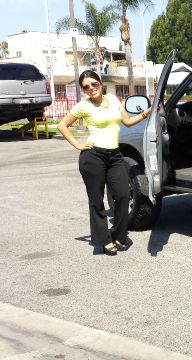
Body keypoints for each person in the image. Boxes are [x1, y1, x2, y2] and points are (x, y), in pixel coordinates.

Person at [58, 70, 152, 255]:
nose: (91, 88)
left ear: (100, 83)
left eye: (94, 84)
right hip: (93, 156)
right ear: (83, 90)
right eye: (86, 86)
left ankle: (119, 234)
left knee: (124, 195)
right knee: (96, 200)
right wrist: (78, 144)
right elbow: (63, 125)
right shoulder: (83, 106)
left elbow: (126, 121)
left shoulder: (114, 100)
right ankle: (104, 239)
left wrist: (145, 114)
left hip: (115, 156)